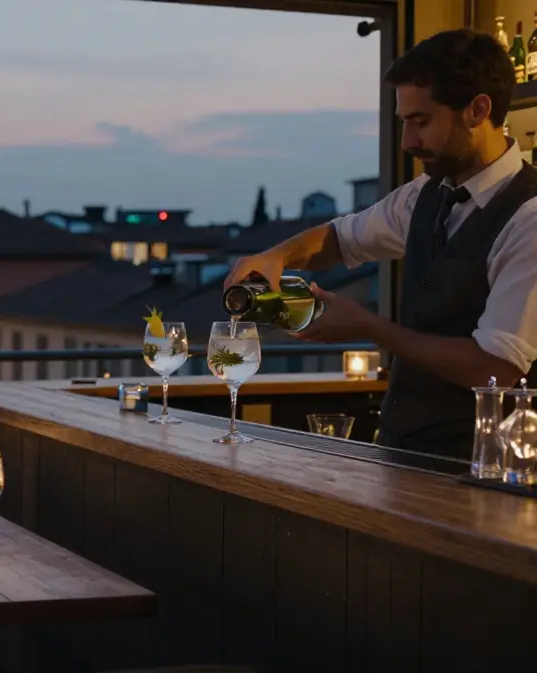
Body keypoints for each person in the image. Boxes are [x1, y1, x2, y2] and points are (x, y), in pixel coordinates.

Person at [225, 28, 537, 460]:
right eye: (404, 122)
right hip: (403, 447)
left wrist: (370, 327)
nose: (408, 142)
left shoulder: (529, 218)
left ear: (477, 109)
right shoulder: (424, 194)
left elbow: (496, 366)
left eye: (420, 122)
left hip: (487, 466)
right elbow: (340, 238)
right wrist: (276, 256)